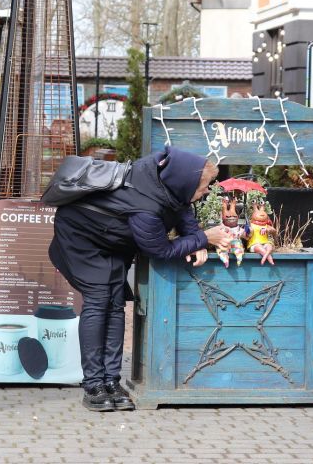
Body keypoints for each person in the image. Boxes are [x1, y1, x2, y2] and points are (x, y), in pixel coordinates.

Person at [48, 146, 231, 412]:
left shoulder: (165, 179)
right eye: (203, 188)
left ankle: (111, 380)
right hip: (81, 238)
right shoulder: (145, 206)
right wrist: (204, 238)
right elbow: (160, 251)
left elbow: (182, 208)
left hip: (111, 236)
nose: (204, 193)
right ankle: (93, 385)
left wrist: (195, 241)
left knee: (115, 301)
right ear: (186, 182)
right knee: (99, 300)